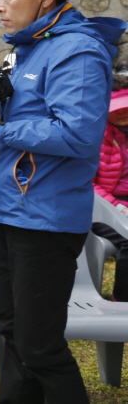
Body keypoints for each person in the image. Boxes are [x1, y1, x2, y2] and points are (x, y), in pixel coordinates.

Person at [0, 0, 125, 404]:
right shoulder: (30, 50)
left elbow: (77, 134)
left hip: (48, 214)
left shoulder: (79, 50)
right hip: (12, 207)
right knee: (11, 330)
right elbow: (30, 120)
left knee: (40, 344)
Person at [91, 88, 128, 302]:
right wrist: (118, 207)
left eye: (125, 106)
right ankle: (122, 300)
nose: (122, 111)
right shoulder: (97, 136)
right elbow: (89, 183)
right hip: (102, 207)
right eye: (116, 108)